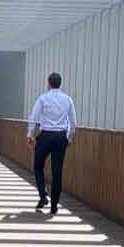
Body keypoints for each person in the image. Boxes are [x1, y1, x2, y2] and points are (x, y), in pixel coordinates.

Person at [27, 72, 76, 214]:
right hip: (61, 137)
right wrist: (69, 138)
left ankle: (43, 195)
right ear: (60, 83)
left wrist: (30, 135)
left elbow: (34, 117)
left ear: (48, 83)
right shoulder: (67, 99)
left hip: (46, 136)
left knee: (38, 166)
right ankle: (54, 206)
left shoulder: (43, 98)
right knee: (57, 171)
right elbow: (73, 122)